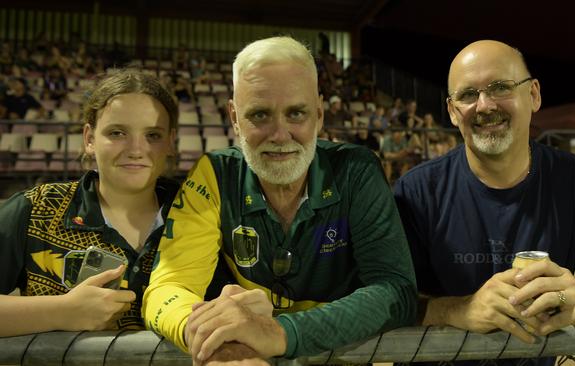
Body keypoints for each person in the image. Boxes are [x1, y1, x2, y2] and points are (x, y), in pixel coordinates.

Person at [143, 36, 416, 364]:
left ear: (319, 113)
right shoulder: (214, 174)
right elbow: (166, 289)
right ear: (233, 116)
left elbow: (396, 292)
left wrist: (279, 333)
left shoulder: (356, 170)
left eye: (296, 114)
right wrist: (209, 336)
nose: (280, 135)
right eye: (259, 115)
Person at [394, 40, 575, 366]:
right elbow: (384, 298)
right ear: (453, 112)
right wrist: (457, 309)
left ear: (534, 95)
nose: (484, 105)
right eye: (468, 94)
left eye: (500, 87)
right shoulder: (417, 192)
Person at [0, 69, 179, 336]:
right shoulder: (36, 208)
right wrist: (60, 311)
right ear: (89, 139)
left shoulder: (201, 212)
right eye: (117, 133)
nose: (136, 149)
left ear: (170, 142)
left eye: (153, 135)